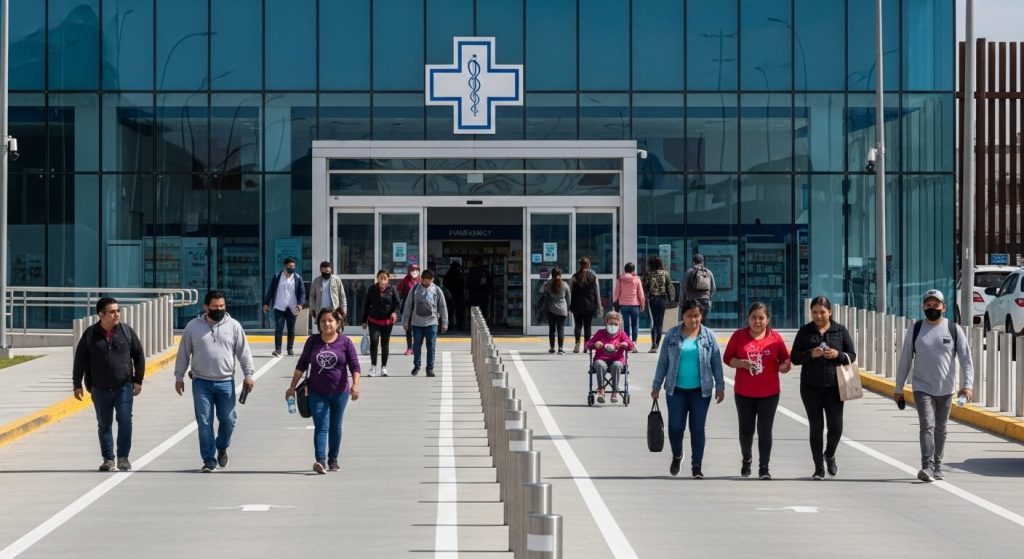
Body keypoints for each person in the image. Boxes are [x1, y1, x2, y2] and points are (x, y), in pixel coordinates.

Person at [895, 289, 974, 482]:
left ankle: (938, 466)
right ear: (923, 307)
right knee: (927, 425)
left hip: (946, 389)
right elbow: (905, 359)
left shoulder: (954, 329)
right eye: (928, 305)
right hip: (921, 387)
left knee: (941, 429)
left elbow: (966, 359)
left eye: (936, 305)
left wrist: (967, 385)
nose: (932, 308)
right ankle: (927, 466)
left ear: (943, 307)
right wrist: (898, 388)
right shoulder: (915, 329)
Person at [175, 291, 255, 473]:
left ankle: (222, 446)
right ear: (206, 307)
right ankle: (209, 460)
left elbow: (244, 352)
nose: (219, 309)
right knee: (204, 422)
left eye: (222, 306)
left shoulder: (234, 326)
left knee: (229, 420)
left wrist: (249, 375)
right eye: (215, 307)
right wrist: (179, 377)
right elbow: (183, 353)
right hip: (201, 382)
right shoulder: (193, 327)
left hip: (225, 382)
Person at [651, 300, 725, 479]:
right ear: (682, 316)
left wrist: (720, 386)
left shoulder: (709, 336)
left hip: (701, 391)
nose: (693, 319)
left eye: (696, 316)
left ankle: (696, 465)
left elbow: (716, 362)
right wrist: (656, 385)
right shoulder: (672, 335)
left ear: (701, 316)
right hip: (676, 390)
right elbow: (663, 361)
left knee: (697, 428)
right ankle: (677, 455)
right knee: (675, 427)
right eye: (689, 315)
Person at [72, 297, 146, 472]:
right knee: (104, 424)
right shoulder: (90, 334)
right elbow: (80, 360)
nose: (117, 314)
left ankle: (123, 457)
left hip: (124, 386)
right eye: (112, 312)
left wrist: (138, 380)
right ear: (101, 314)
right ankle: (108, 459)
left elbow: (139, 356)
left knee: (125, 421)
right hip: (99, 388)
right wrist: (77, 384)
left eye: (118, 311)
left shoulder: (126, 332)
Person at [286, 309, 361, 474]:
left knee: (336, 427)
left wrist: (356, 385)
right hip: (317, 391)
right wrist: (292, 387)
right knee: (321, 425)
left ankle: (333, 459)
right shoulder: (313, 341)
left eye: (330, 321)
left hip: (340, 392)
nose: (326, 324)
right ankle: (320, 460)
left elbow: (355, 366)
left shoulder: (346, 342)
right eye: (323, 321)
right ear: (318, 324)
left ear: (338, 323)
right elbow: (301, 364)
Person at [723, 302, 792, 480]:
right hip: (744, 392)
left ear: (767, 319)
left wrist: (784, 366)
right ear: (748, 318)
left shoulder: (775, 337)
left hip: (769, 393)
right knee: (746, 431)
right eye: (754, 317)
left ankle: (764, 467)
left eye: (761, 318)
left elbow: (785, 360)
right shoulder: (739, 336)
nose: (757, 321)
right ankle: (747, 458)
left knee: (765, 430)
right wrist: (742, 363)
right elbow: (728, 358)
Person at [791, 296, 857, 480]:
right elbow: (794, 357)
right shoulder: (805, 331)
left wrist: (838, 355)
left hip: (835, 387)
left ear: (830, 312)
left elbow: (852, 355)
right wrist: (810, 354)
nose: (818, 316)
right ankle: (818, 467)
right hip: (810, 387)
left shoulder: (840, 331)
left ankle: (829, 454)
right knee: (816, 427)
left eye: (822, 312)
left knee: (836, 427)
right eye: (815, 312)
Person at [402, 269, 449, 377]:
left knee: (431, 346)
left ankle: (430, 368)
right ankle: (417, 366)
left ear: (432, 280)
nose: (425, 283)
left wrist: (445, 322)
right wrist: (405, 321)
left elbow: (442, 306)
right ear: (421, 279)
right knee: (416, 346)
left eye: (428, 281)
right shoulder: (415, 289)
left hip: (432, 322)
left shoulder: (437, 290)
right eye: (423, 280)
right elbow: (408, 305)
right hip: (417, 323)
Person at [584, 311, 634, 403]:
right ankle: (601, 390)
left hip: (617, 359)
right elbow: (588, 344)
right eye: (611, 323)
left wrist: (626, 344)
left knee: (617, 365)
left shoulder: (622, 334)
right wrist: (595, 344)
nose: (613, 326)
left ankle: (615, 391)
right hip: (601, 359)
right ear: (606, 322)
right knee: (600, 364)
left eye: (615, 324)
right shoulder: (600, 333)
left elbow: (631, 346)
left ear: (619, 324)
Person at [263, 257, 307, 357]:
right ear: (285, 266)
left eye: (293, 266)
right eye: (290, 266)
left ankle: (290, 348)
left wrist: (300, 304)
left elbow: (302, 292)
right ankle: (278, 349)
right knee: (279, 328)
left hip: (292, 307)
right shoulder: (277, 276)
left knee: (291, 329)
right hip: (279, 306)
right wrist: (266, 303)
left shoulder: (297, 278)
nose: (292, 268)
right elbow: (270, 291)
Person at [362, 269, 401, 378]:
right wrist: (364, 320)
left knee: (385, 344)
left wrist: (395, 313)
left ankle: (384, 367)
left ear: (388, 279)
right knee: (374, 342)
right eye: (381, 278)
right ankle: (373, 367)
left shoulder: (392, 289)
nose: (383, 280)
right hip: (373, 321)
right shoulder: (372, 289)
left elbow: (397, 305)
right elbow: (366, 305)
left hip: (387, 322)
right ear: (377, 278)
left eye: (385, 278)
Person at [642, 256, 676, 353]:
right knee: (659, 323)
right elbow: (670, 286)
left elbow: (645, 286)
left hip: (652, 299)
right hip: (662, 300)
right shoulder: (665, 273)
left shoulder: (648, 274)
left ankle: (653, 345)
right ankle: (657, 344)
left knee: (653, 322)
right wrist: (671, 298)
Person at [570, 257, 601, 353]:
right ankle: (586, 345)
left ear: (580, 265)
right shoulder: (593, 277)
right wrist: (599, 305)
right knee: (588, 326)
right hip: (590, 306)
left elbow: (570, 292)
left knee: (578, 325)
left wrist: (569, 305)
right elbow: (597, 293)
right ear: (589, 265)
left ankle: (577, 343)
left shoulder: (574, 276)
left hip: (576, 305)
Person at [309, 260, 347, 332]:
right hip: (321, 311)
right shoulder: (316, 281)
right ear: (320, 270)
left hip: (334, 310)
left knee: (336, 331)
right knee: (322, 332)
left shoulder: (336, 280)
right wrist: (312, 309)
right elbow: (312, 297)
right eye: (324, 271)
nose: (326, 273)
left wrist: (344, 310)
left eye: (328, 271)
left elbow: (342, 296)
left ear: (331, 270)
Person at [613, 262, 645, 349]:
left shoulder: (620, 279)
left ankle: (626, 343)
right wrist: (642, 304)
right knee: (635, 324)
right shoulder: (637, 279)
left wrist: (615, 302)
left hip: (623, 305)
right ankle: (634, 343)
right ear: (633, 270)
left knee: (626, 325)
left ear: (625, 269)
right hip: (635, 305)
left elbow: (617, 292)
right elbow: (641, 293)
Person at [541, 267, 571, 354]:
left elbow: (541, 291)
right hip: (562, 310)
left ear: (551, 274)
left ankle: (552, 348)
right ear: (560, 274)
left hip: (551, 309)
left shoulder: (548, 284)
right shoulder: (565, 284)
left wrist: (544, 284)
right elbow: (568, 298)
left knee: (552, 329)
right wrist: (567, 308)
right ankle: (560, 348)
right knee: (560, 329)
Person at [680, 253, 716, 318]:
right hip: (705, 300)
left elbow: (684, 287)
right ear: (703, 262)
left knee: (693, 321)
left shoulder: (689, 271)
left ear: (693, 262)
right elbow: (713, 288)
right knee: (703, 321)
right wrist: (708, 296)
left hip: (692, 301)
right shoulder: (708, 272)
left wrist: (683, 300)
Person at [397, 264, 421, 356]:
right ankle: (409, 347)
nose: (414, 272)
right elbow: (398, 291)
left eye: (416, 270)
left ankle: (416, 347)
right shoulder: (405, 280)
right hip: (407, 307)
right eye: (412, 270)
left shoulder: (420, 280)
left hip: (419, 308)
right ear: (409, 271)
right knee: (408, 328)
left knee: (417, 328)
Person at [444, 260, 467, 331]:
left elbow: (445, 284)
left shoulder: (448, 275)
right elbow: (463, 285)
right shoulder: (460, 275)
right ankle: (460, 325)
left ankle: (449, 325)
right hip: (459, 296)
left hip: (450, 296)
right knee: (459, 312)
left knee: (450, 312)